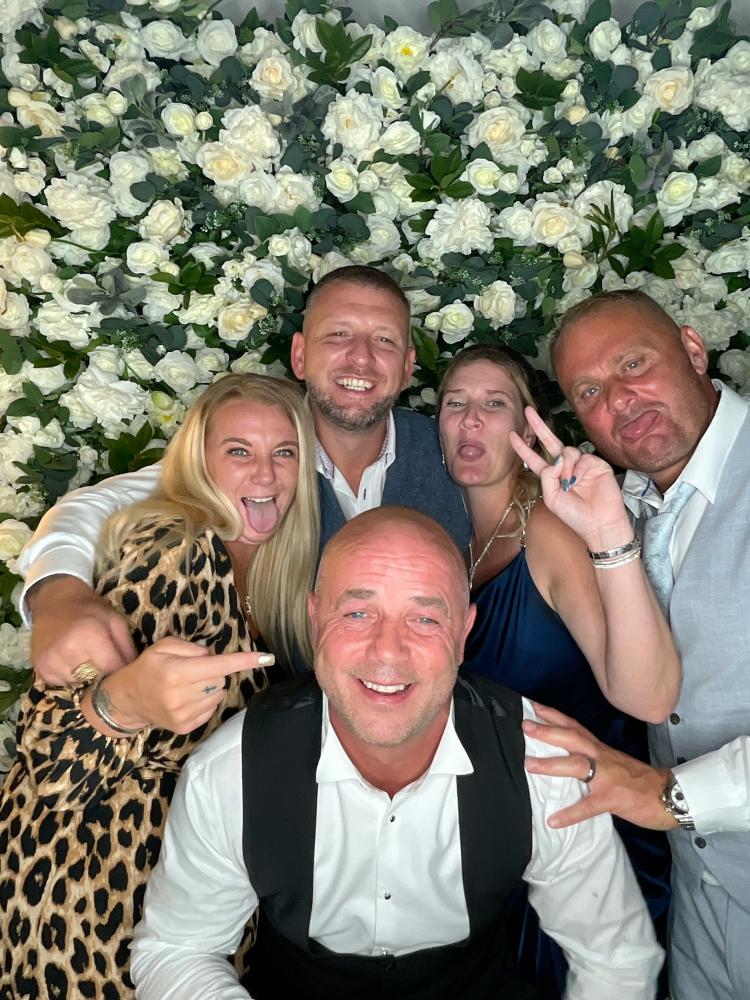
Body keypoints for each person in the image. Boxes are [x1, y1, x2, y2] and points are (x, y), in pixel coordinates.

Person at [129, 506, 663, 1000]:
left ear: (463, 634)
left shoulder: (542, 764)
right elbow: (178, 949)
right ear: (315, 620)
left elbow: (616, 958)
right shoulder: (230, 771)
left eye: (425, 619)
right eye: (358, 613)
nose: (388, 650)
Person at [0, 374, 319, 1000]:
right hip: (89, 888)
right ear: (199, 462)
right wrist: (120, 705)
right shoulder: (172, 551)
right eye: (239, 451)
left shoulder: (276, 569)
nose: (265, 473)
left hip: (190, 887)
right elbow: (50, 763)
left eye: (284, 452)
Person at [18, 265, 469, 686]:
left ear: (407, 366)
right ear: (299, 356)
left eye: (384, 340)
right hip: (280, 718)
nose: (361, 358)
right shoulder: (259, 445)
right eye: (338, 334)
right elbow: (96, 505)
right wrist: (58, 594)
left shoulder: (447, 448)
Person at [523, 288, 750, 1000]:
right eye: (590, 391)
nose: (619, 399)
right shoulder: (617, 507)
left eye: (633, 364)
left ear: (693, 349)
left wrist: (669, 795)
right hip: (703, 914)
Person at [436, 343, 678, 996]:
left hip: (592, 831)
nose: (470, 420)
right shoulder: (460, 549)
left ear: (529, 425)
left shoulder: (549, 530)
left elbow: (648, 698)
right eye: (455, 404)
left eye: (494, 404)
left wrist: (604, 531)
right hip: (512, 836)